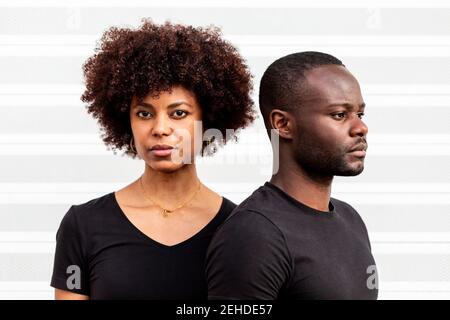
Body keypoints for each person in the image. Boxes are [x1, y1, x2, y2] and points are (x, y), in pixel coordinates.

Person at [50, 19, 255, 300]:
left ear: (207, 121)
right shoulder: (83, 225)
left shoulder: (240, 228)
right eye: (144, 113)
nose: (160, 128)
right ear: (126, 122)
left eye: (178, 113)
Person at [206, 51, 378, 300]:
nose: (361, 128)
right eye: (339, 115)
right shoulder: (253, 234)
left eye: (359, 114)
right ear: (283, 125)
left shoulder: (351, 220)